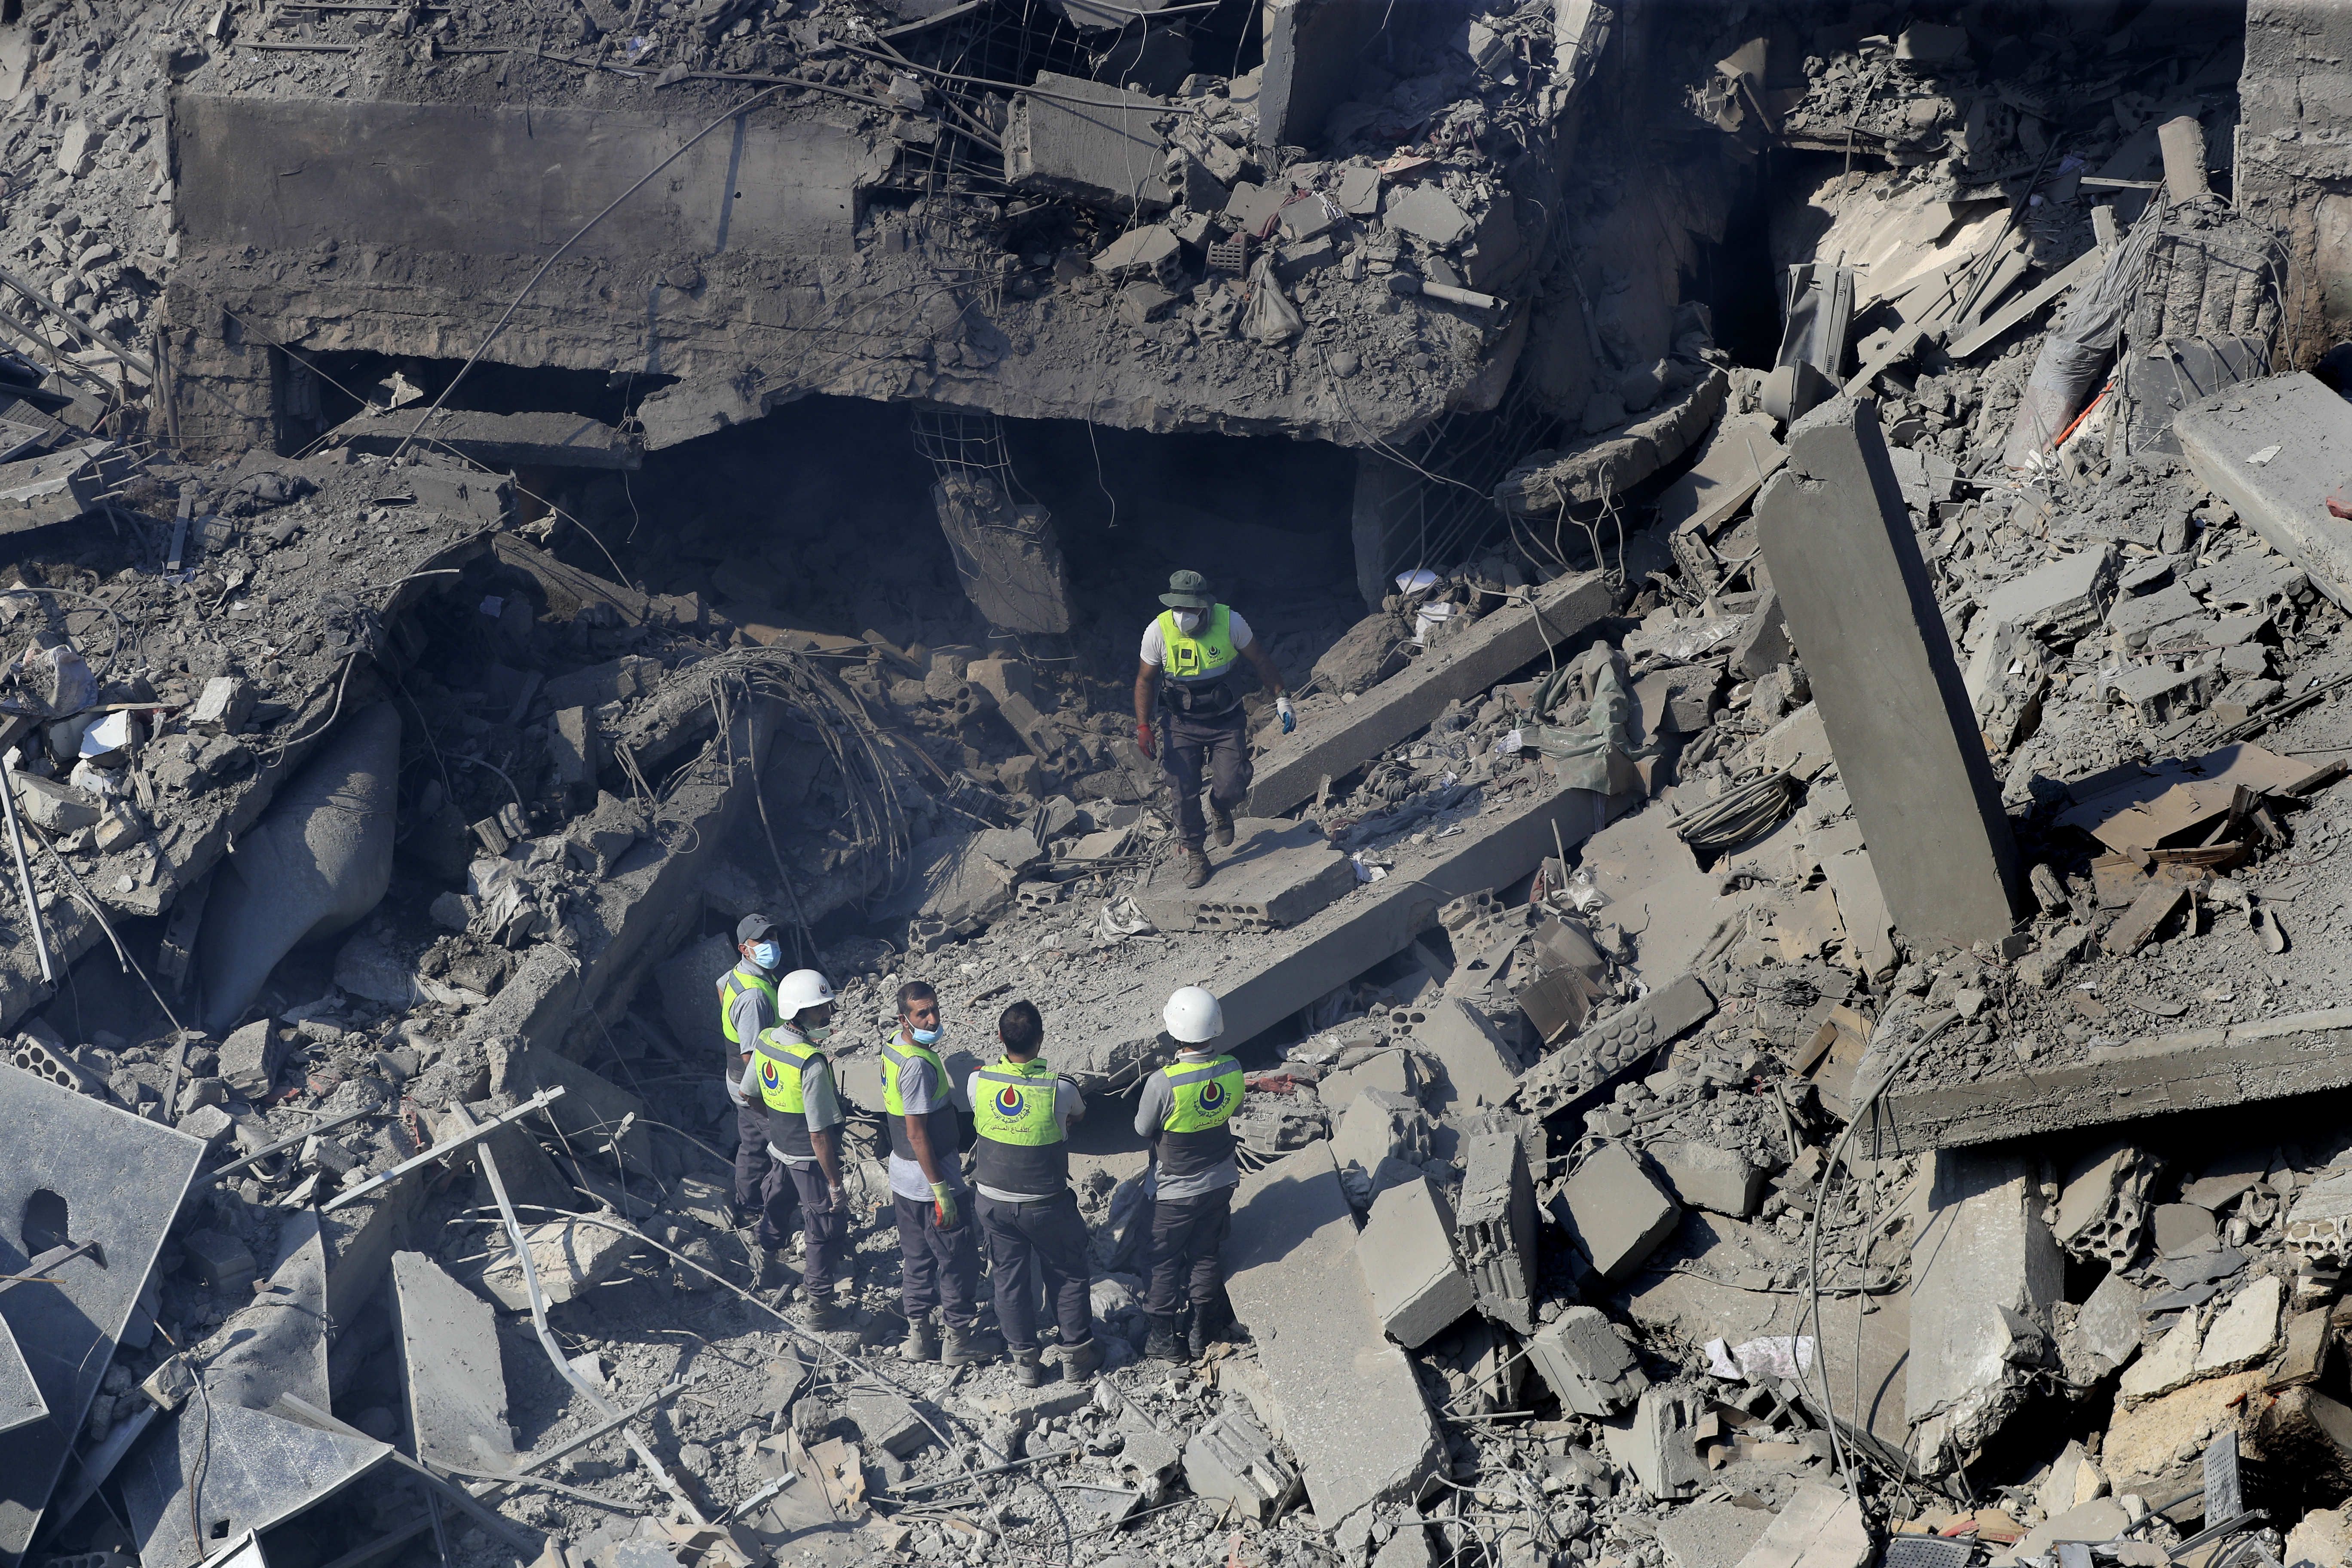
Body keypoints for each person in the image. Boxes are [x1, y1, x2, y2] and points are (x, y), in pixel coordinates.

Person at [1133, 568, 1294, 891]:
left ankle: (1220, 808)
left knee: (1233, 784)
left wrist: (1282, 698)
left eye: (1190, 609)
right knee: (1182, 789)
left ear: (1204, 605)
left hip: (1225, 720)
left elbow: (1260, 659)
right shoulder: (1158, 631)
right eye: (1177, 608)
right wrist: (1143, 726)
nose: (1183, 616)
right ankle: (1196, 856)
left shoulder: (1231, 622)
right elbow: (1145, 680)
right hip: (1181, 725)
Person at [968, 999, 1101, 1387]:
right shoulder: (1059, 1088)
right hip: (1045, 1204)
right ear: (1042, 1039)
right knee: (1067, 1273)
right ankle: (1076, 1357)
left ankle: (1025, 1363)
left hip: (991, 1200)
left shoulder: (980, 1081)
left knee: (1008, 1278)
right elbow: (1077, 1115)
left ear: (999, 1038)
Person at [883, 981, 998, 1365]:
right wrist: (942, 1189)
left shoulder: (896, 1049)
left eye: (934, 1009)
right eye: (922, 1014)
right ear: (905, 1019)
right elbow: (917, 1133)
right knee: (957, 1259)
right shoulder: (916, 1067)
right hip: (930, 1181)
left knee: (916, 1258)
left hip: (902, 1179)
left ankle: (920, 1338)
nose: (932, 1018)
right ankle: (959, 1341)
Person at [1133, 986, 1245, 1360]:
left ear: (1176, 1031)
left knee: (1162, 1259)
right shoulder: (1232, 1068)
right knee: (1205, 1253)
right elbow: (1232, 1109)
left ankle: (1164, 1338)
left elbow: (1142, 1129)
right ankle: (1200, 1330)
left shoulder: (1163, 1082)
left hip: (1174, 1192)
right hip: (1220, 1182)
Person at [740, 968, 853, 1332]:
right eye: (821, 1009)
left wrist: (776, 1128)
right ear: (799, 1012)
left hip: (781, 1148)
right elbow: (820, 1134)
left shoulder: (767, 1042)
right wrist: (835, 1184)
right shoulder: (811, 1062)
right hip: (809, 1157)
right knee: (821, 1224)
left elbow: (748, 1094)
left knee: (778, 1203)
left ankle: (766, 1263)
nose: (829, 1015)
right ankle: (820, 1305)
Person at [717, 914, 791, 1287]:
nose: (773, 945)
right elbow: (752, 1056)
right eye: (764, 940)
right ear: (744, 947)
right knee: (783, 1149)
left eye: (775, 936)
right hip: (754, 1085)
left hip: (736, 1082)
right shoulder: (753, 995)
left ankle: (747, 1206)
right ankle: (771, 1225)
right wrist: (766, 1098)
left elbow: (719, 987)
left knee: (751, 1145)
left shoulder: (738, 976)